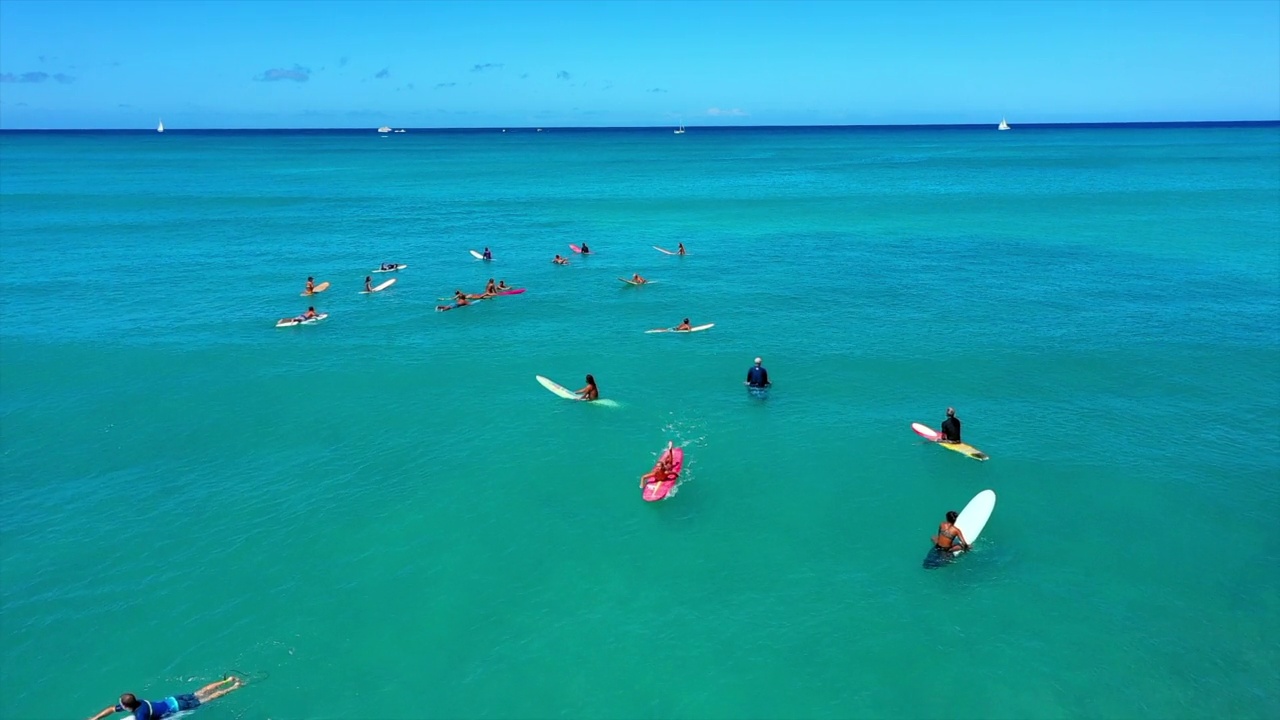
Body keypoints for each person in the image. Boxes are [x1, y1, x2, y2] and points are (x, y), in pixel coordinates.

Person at [86, 675, 242, 720]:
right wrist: (96, 718)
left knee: (206, 699)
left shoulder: (141, 715)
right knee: (198, 693)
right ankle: (227, 681)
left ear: (127, 707)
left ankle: (235, 687)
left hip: (179, 707)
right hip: (173, 699)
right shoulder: (138, 703)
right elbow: (111, 709)